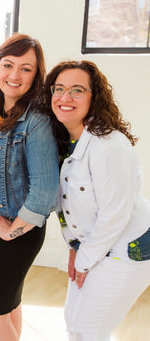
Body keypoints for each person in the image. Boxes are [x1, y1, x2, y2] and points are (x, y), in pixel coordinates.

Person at [38, 60, 150, 341]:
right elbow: (69, 206)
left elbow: (114, 216)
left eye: (77, 90)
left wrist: (84, 260)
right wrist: (76, 249)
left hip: (129, 248)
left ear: (94, 97)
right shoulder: (65, 140)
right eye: (59, 89)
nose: (65, 97)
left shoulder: (108, 146)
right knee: (73, 322)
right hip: (94, 246)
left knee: (89, 329)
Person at [0, 33, 59, 341]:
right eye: (8, 65)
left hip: (12, 229)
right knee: (6, 306)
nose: (14, 75)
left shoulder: (37, 120)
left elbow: (45, 190)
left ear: (36, 75)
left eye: (26, 68)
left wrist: (13, 230)